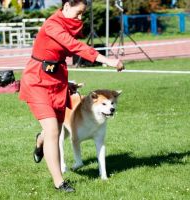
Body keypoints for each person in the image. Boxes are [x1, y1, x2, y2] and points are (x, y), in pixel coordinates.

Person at [19, 0, 124, 193]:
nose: (80, 18)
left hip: (58, 82)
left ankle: (39, 141)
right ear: (66, 6)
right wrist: (106, 60)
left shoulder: (70, 26)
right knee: (53, 131)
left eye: (83, 14)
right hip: (37, 81)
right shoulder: (52, 24)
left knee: (54, 130)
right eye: (78, 13)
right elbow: (74, 46)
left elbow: (61, 56)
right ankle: (60, 182)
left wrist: (67, 83)